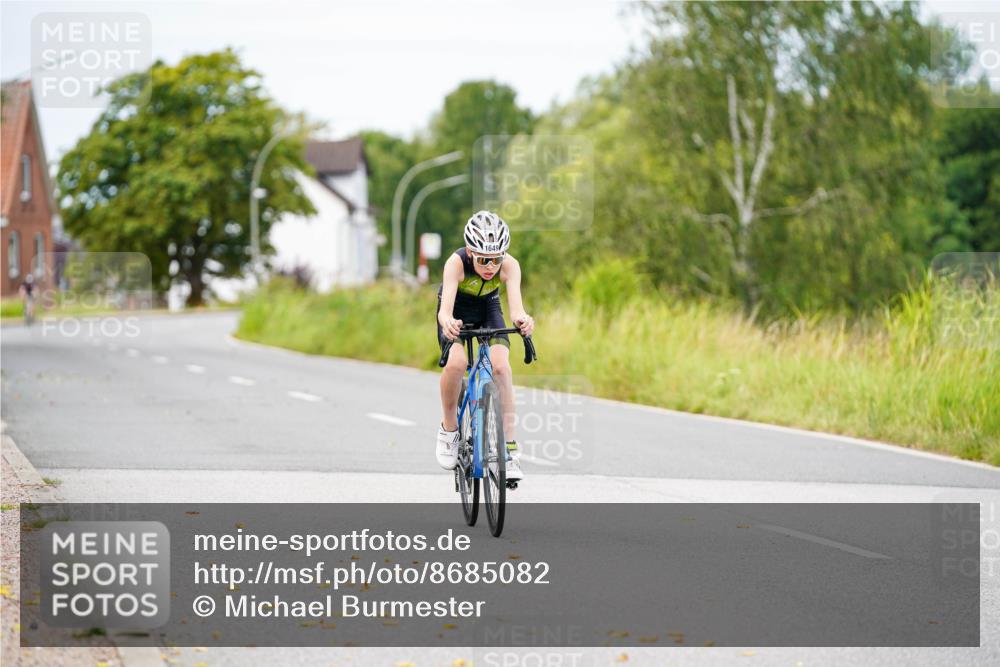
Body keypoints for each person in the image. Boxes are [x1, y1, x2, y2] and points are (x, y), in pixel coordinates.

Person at [435, 211, 534, 482]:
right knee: (456, 364)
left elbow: (517, 310)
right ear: (470, 252)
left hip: (489, 309)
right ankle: (449, 430)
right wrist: (448, 323)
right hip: (456, 313)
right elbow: (444, 312)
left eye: (496, 259)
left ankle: (509, 451)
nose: (491, 266)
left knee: (502, 368)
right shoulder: (456, 263)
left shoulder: (510, 266)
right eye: (483, 260)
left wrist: (524, 321)